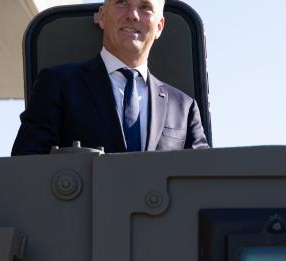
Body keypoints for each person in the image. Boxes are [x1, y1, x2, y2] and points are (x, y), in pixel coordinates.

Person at [12, 0, 208, 155]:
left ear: (159, 27)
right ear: (103, 16)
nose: (132, 15)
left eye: (145, 7)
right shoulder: (58, 85)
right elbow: (27, 166)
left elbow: (203, 180)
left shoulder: (184, 107)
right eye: (122, 3)